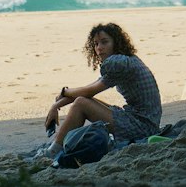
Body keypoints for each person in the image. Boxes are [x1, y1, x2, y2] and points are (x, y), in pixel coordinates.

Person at [38, 22, 162, 159]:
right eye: (96, 44)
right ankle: (57, 146)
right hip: (143, 120)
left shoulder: (119, 63)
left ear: (116, 43)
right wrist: (57, 104)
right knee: (83, 101)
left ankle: (52, 152)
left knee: (81, 103)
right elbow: (87, 90)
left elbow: (88, 92)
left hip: (142, 126)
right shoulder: (125, 60)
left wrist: (63, 93)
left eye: (104, 42)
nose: (99, 48)